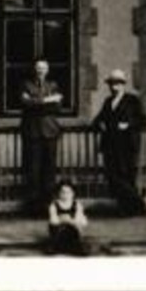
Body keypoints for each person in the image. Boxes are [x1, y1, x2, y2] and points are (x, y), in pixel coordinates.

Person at [92, 68, 146, 214]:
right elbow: (97, 120)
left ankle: (135, 206)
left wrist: (128, 125)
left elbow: (144, 121)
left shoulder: (132, 100)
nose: (114, 87)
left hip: (127, 146)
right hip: (110, 145)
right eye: (111, 84)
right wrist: (100, 124)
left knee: (126, 176)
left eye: (117, 84)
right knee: (113, 176)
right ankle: (128, 205)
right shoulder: (108, 101)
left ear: (123, 85)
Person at [18, 59, 62, 212]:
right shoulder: (26, 85)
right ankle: (34, 207)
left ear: (48, 70)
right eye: (38, 67)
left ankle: (49, 206)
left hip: (50, 132)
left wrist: (35, 101)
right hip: (32, 132)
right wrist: (47, 100)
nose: (40, 70)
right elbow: (26, 105)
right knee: (33, 171)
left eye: (43, 68)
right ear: (34, 69)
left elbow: (57, 108)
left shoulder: (53, 85)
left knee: (49, 170)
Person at [45, 180, 90, 256]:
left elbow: (81, 221)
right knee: (60, 231)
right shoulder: (54, 205)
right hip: (58, 232)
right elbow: (53, 221)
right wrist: (64, 221)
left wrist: (67, 220)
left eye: (68, 192)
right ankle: (57, 247)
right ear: (58, 193)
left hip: (72, 231)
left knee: (72, 231)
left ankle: (73, 247)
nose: (65, 195)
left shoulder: (77, 205)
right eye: (63, 192)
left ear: (73, 193)